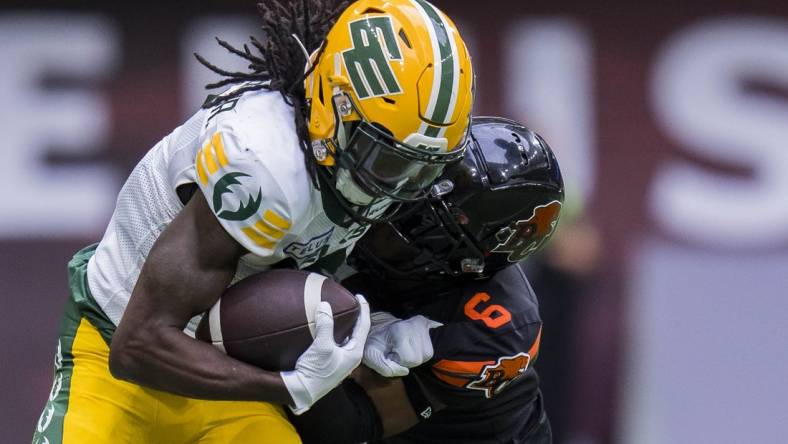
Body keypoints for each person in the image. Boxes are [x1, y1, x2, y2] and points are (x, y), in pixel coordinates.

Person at [32, 0, 474, 443]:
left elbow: (295, 275)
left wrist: (364, 327)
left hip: (225, 378)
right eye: (385, 159)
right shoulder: (262, 161)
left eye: (422, 168)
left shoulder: (359, 164)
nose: (398, 186)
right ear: (332, 104)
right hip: (118, 349)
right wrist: (289, 386)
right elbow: (138, 346)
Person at [289, 116, 565, 443]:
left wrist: (295, 355)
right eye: (418, 182)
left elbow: (358, 424)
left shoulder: (492, 329)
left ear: (471, 257)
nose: (399, 211)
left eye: (428, 220)